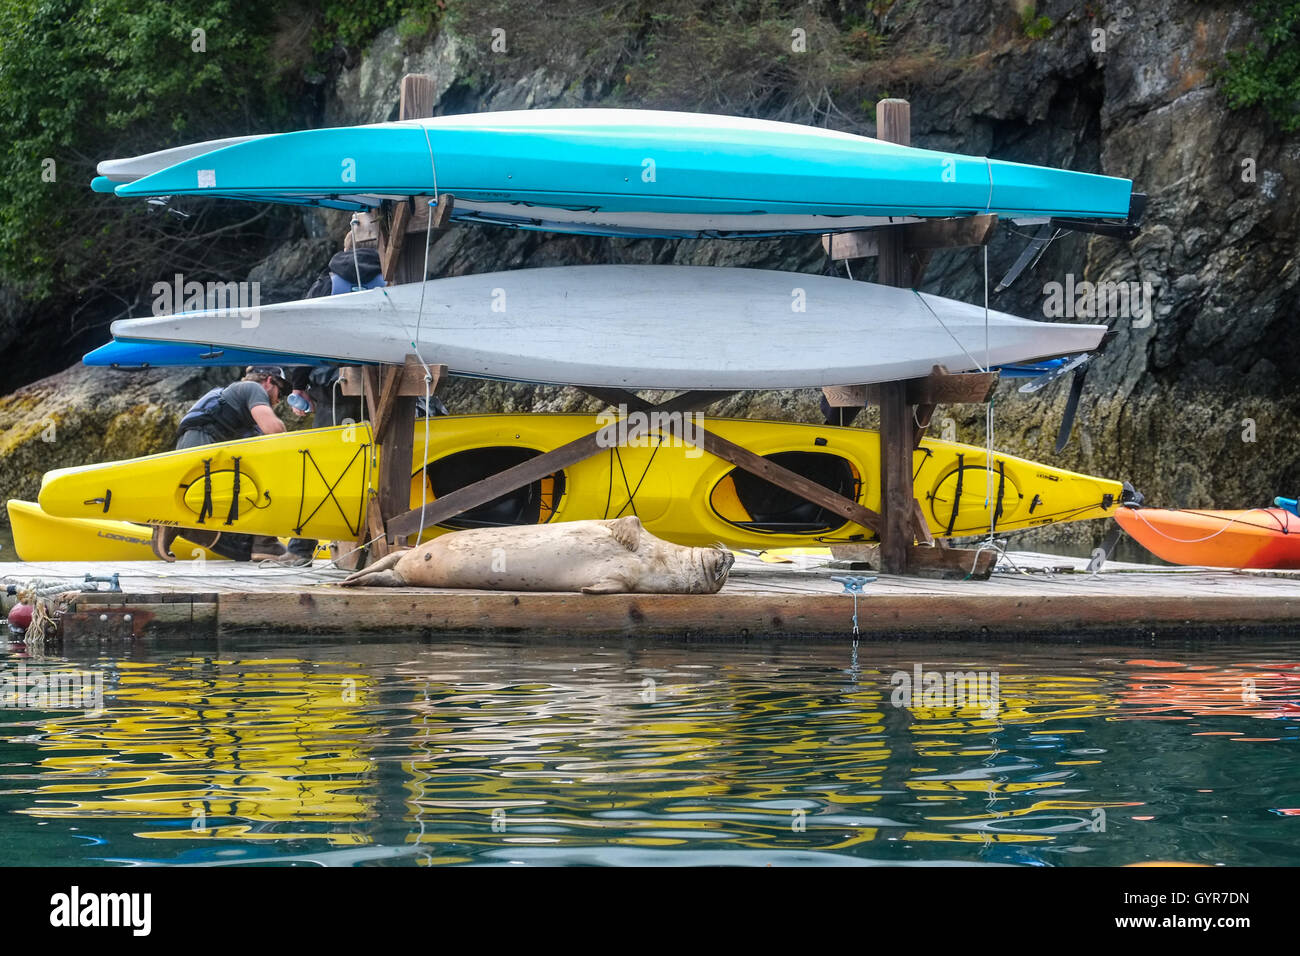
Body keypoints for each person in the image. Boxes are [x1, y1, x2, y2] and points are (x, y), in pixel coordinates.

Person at [152, 366, 292, 564]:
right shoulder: (252, 388)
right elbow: (275, 431)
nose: (280, 400)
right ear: (269, 381)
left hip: (194, 448)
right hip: (202, 446)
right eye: (282, 391)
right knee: (275, 472)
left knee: (245, 550)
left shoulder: (238, 408)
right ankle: (178, 522)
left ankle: (263, 544)